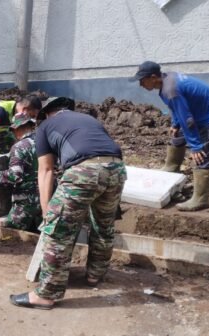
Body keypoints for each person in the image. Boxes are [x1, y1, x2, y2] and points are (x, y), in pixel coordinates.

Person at [10, 97, 127, 310]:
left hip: (84, 171)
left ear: (46, 114)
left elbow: (46, 170)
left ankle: (46, 294)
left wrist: (47, 212)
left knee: (58, 231)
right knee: (103, 226)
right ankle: (95, 275)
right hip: (117, 169)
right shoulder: (88, 120)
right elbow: (106, 150)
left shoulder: (45, 127)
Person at [130, 61, 209, 211]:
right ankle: (171, 168)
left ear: (153, 77)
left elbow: (187, 120)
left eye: (142, 80)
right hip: (199, 111)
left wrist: (195, 146)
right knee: (177, 136)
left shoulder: (170, 90)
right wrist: (175, 123)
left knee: (201, 154)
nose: (140, 85)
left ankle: (201, 199)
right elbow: (179, 107)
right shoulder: (167, 80)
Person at [0, 113, 41, 232]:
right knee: (39, 229)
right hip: (47, 198)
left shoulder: (19, 147)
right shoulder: (43, 141)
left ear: (17, 128)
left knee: (11, 230)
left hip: (27, 201)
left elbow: (15, 175)